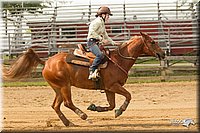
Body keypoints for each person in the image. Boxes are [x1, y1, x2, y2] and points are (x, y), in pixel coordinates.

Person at [87, 6, 116, 80]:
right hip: (91, 43)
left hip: (96, 42)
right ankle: (92, 70)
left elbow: (106, 35)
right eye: (108, 15)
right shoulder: (97, 22)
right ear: (103, 15)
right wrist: (101, 39)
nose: (108, 17)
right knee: (100, 55)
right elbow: (91, 31)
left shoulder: (102, 23)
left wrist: (113, 43)